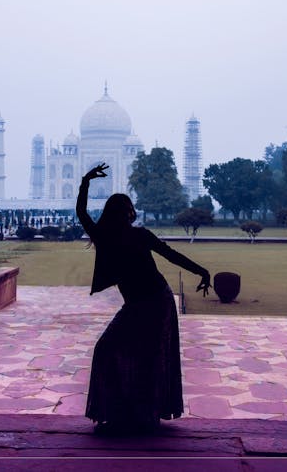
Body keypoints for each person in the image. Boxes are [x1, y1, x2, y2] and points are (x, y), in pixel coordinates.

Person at [76, 163, 211, 436]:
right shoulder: (117, 236)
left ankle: (142, 416)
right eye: (127, 210)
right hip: (142, 303)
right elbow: (171, 254)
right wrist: (85, 181)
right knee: (119, 351)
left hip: (156, 301)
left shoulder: (120, 236)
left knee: (146, 356)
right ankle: (122, 413)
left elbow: (170, 254)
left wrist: (85, 182)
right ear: (123, 213)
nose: (130, 215)